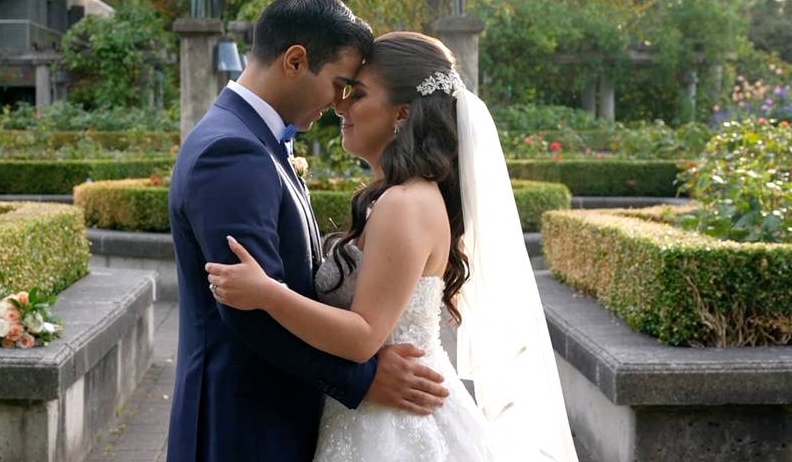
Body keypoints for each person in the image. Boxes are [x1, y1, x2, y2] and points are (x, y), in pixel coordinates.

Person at [207, 31, 579, 461]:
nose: (340, 106)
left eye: (358, 94)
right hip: (379, 412)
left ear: (402, 113)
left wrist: (267, 293)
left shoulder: (404, 204)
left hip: (394, 427)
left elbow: (364, 337)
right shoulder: (406, 196)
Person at [166, 0, 450, 462]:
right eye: (341, 84)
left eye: (354, 92)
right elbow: (246, 310)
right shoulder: (231, 151)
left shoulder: (256, 141)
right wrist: (362, 379)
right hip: (242, 428)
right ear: (295, 61)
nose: (340, 103)